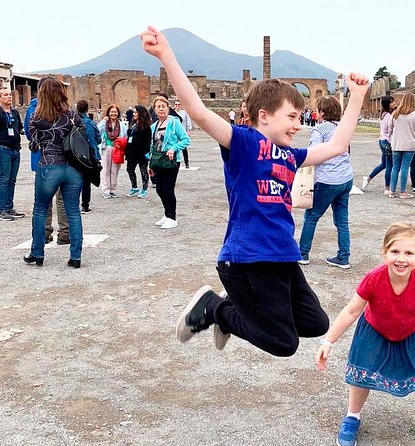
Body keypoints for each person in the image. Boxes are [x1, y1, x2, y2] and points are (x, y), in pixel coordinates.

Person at [140, 25, 368, 356]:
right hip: (249, 258)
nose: (298, 124)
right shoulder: (245, 143)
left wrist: (358, 96)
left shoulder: (291, 155)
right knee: (283, 343)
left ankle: (233, 309)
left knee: (315, 323)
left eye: (301, 117)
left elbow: (337, 146)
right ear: (263, 116)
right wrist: (166, 55)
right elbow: (199, 113)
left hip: (283, 255)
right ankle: (214, 309)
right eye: (292, 116)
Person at [316, 222, 415, 446]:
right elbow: (351, 311)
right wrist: (328, 341)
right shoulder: (373, 278)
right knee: (361, 375)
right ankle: (352, 416)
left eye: (409, 253)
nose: (401, 258)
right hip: (374, 331)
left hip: (412, 332)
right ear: (384, 252)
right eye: (395, 251)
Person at [25, 78, 85, 268]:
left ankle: (38, 253)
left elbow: (34, 146)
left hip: (49, 166)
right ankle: (75, 257)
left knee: (40, 209)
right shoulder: (72, 115)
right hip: (72, 167)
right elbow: (83, 136)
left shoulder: (36, 117)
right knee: (73, 211)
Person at [298, 96, 353, 269]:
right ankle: (343, 256)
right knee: (342, 220)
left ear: (322, 112)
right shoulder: (343, 128)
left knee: (311, 216)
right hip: (345, 178)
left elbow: (314, 152)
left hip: (327, 179)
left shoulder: (320, 129)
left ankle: (302, 253)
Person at [24, 76, 68, 243]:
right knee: (58, 199)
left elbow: (31, 137)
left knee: (45, 201)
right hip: (58, 160)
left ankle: (48, 233)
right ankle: (61, 233)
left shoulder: (34, 111)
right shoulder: (63, 110)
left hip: (43, 160)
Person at [149, 96, 190, 229]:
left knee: (168, 189)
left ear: (168, 108)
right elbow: (152, 145)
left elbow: (185, 140)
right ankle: (167, 214)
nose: (161, 109)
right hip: (158, 161)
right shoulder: (154, 126)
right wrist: (150, 163)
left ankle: (172, 217)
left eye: (163, 106)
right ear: (155, 109)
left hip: (171, 161)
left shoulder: (174, 122)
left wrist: (173, 148)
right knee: (159, 189)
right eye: (158, 107)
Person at [0, 86, 25, 221]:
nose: (9, 96)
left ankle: (9, 207)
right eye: (6, 95)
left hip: (15, 149)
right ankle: (1, 210)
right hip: (3, 149)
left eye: (10, 94)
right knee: (4, 179)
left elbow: (19, 129)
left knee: (12, 180)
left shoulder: (14, 112)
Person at [387, 91, 415, 199]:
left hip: (397, 144)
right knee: (405, 167)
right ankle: (402, 191)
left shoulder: (395, 114)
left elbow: (389, 128)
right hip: (409, 145)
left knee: (395, 167)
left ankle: (392, 191)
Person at [361, 95, 395, 194]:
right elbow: (390, 130)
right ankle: (387, 188)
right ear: (388, 104)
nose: (394, 104)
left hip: (382, 141)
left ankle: (368, 179)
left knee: (384, 164)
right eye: (392, 102)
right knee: (389, 166)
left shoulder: (383, 114)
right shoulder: (388, 116)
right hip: (387, 142)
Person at [76, 100, 102, 213]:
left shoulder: (73, 122)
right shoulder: (90, 123)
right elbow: (99, 139)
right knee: (86, 181)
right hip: (89, 155)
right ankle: (85, 206)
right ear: (87, 109)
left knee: (75, 180)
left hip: (76, 154)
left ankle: (73, 204)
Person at [98, 104, 128, 198]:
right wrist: (103, 121)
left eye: (115, 112)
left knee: (115, 170)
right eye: (112, 112)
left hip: (117, 149)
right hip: (106, 148)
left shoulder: (122, 125)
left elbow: (125, 136)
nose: (113, 113)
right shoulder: (105, 124)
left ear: (118, 113)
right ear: (108, 113)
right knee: (105, 170)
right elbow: (97, 130)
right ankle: (105, 190)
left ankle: (112, 189)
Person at [125, 105, 152, 199]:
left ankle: (144, 190)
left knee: (143, 170)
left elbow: (148, 141)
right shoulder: (133, 123)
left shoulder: (146, 126)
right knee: (129, 169)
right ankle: (134, 187)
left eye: (136, 112)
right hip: (132, 151)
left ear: (141, 113)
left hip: (141, 152)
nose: (134, 114)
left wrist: (146, 153)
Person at [174, 100, 193, 169]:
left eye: (179, 104)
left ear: (181, 106)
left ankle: (186, 163)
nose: (177, 106)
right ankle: (175, 162)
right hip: (175, 133)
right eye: (176, 105)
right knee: (174, 148)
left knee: (184, 149)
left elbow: (188, 122)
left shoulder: (184, 113)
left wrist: (188, 131)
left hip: (183, 132)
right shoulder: (173, 113)